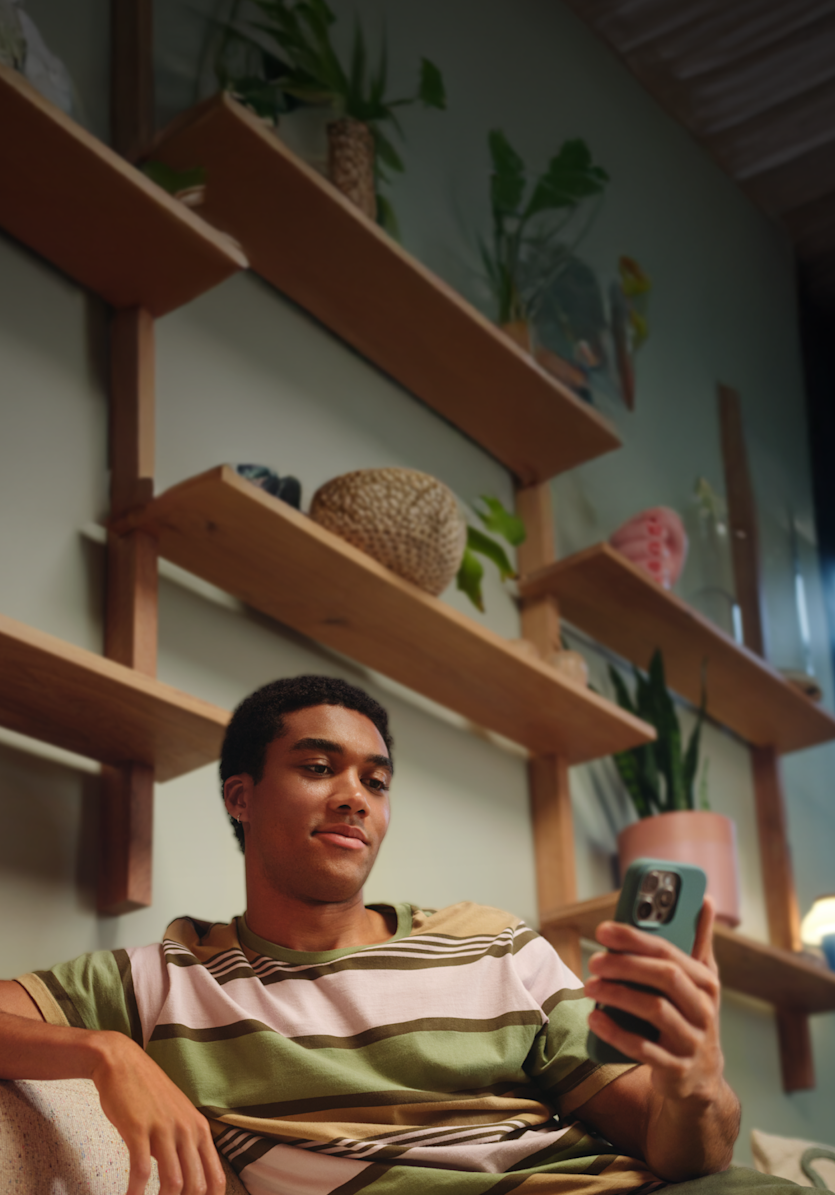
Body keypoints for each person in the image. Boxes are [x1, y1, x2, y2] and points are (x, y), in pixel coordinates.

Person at [0, 675, 796, 1195]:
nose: (355, 796)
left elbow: (686, 1157)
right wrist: (107, 1052)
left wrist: (695, 1081)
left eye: (375, 780)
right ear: (240, 797)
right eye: (318, 767)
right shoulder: (165, 978)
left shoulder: (493, 944)